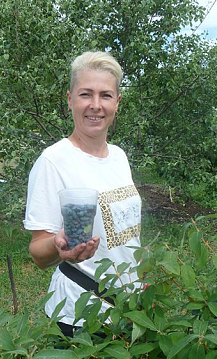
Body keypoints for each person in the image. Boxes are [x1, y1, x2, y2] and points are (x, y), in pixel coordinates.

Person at [23, 51, 141, 337]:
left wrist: (139, 282)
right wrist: (60, 247)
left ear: (117, 103)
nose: (96, 106)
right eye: (86, 94)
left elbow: (127, 236)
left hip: (131, 307)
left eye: (106, 95)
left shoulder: (119, 157)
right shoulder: (54, 161)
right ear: (70, 99)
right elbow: (38, 252)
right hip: (81, 314)